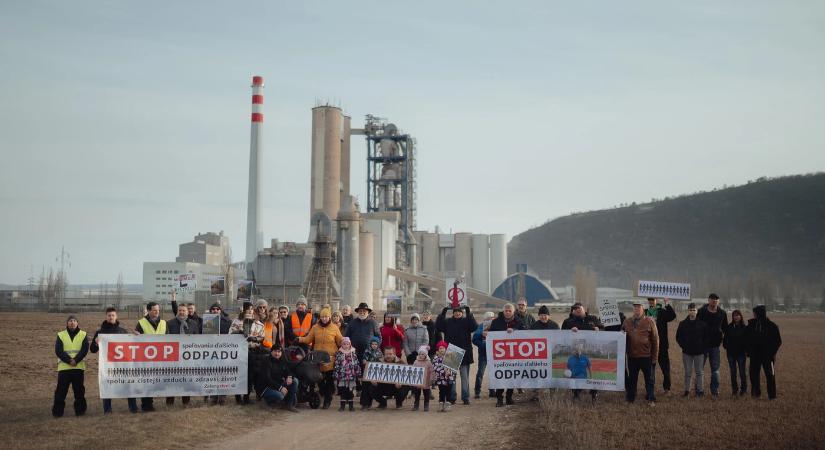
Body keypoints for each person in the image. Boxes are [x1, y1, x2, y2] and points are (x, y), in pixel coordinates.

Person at [90, 307, 137, 413]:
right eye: (109, 315)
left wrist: (137, 338)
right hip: (108, 366)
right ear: (106, 317)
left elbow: (132, 346)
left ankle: (133, 408)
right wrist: (95, 343)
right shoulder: (100, 332)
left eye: (113, 315)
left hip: (123, 365)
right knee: (107, 386)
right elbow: (92, 350)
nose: (111, 317)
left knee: (128, 384)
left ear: (116, 316)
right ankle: (107, 410)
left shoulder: (123, 331)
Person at [298, 307, 343, 409]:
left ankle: (328, 400)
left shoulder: (335, 328)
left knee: (330, 381)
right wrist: (299, 339)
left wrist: (347, 345)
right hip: (317, 359)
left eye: (326, 316)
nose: (324, 318)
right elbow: (308, 339)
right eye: (322, 317)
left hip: (330, 359)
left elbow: (340, 341)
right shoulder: (315, 328)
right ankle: (323, 393)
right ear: (320, 317)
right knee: (320, 381)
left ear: (329, 317)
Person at [436, 304, 478, 405]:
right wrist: (443, 312)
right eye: (455, 312)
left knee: (464, 377)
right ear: (453, 313)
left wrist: (469, 313)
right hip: (452, 352)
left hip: (465, 352)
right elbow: (438, 326)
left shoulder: (466, 321)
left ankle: (465, 397)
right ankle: (452, 397)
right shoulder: (448, 322)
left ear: (462, 313)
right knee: (451, 377)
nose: (457, 313)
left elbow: (474, 327)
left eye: (459, 312)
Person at [488, 303, 525, 406]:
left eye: (510, 311)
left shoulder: (519, 322)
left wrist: (515, 331)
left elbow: (525, 334)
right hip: (500, 356)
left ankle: (509, 397)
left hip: (514, 355)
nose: (508, 313)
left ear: (513, 312)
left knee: (512, 377)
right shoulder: (496, 322)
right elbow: (491, 336)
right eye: (506, 311)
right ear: (503, 311)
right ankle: (499, 398)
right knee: (501, 377)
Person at [622, 300, 659, 405]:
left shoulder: (650, 321)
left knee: (649, 380)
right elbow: (621, 336)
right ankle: (630, 399)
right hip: (632, 357)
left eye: (639, 307)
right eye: (635, 307)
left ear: (643, 309)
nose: (636, 309)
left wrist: (654, 357)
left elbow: (655, 340)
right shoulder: (627, 322)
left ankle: (651, 399)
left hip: (646, 356)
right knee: (632, 380)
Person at [52, 315, 88, 417]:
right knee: (61, 392)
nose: (72, 322)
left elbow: (84, 350)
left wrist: (76, 360)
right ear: (67, 323)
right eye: (70, 321)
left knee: (79, 391)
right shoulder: (61, 335)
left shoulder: (83, 334)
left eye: (74, 321)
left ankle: (80, 411)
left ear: (77, 323)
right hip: (64, 368)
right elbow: (58, 350)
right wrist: (69, 360)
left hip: (78, 368)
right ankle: (57, 412)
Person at [562, 303, 599, 402]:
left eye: (579, 308)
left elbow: (602, 328)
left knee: (584, 371)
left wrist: (598, 329)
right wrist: (569, 330)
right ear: (573, 311)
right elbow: (562, 334)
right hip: (575, 349)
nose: (578, 310)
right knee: (575, 370)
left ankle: (593, 393)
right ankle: (576, 393)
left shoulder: (593, 318)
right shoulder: (569, 322)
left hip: (586, 349)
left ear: (584, 308)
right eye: (575, 309)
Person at [166, 302, 199, 406]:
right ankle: (170, 402)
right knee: (171, 379)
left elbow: (197, 339)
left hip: (187, 357)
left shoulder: (193, 324)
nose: (181, 312)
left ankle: (186, 401)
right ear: (177, 311)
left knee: (186, 379)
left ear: (187, 312)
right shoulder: (170, 323)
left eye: (183, 310)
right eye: (180, 310)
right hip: (173, 357)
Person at [746, 305, 782, 400]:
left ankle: (772, 396)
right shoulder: (751, 325)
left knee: (770, 375)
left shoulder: (772, 326)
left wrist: (771, 353)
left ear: (760, 314)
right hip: (755, 355)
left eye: (755, 313)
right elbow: (746, 339)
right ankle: (756, 394)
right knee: (753, 375)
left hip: (768, 357)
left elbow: (778, 341)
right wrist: (749, 351)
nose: (753, 315)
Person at [135, 301, 165, 411]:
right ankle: (146, 405)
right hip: (146, 359)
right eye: (154, 310)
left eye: (158, 310)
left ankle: (151, 402)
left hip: (161, 358)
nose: (157, 312)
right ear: (148, 310)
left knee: (155, 381)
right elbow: (136, 339)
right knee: (146, 381)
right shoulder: (141, 323)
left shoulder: (163, 323)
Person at [697, 293, 728, 397]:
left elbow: (725, 329)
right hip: (702, 345)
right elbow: (697, 326)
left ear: (718, 301)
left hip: (715, 345)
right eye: (712, 299)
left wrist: (725, 340)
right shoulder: (701, 312)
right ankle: (699, 391)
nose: (714, 301)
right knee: (699, 369)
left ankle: (714, 391)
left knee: (715, 370)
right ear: (708, 300)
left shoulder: (722, 313)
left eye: (716, 299)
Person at [645, 297, 677, 395]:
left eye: (653, 300)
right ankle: (650, 390)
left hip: (662, 345)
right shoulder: (645, 312)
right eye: (649, 300)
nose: (651, 302)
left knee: (665, 368)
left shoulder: (662, 312)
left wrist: (667, 304)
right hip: (649, 346)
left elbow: (672, 316)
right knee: (650, 370)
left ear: (656, 301)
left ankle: (667, 389)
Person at [676, 303, 708, 397]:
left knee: (699, 372)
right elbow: (678, 337)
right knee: (688, 372)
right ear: (688, 311)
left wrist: (703, 348)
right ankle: (687, 391)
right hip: (687, 352)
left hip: (699, 352)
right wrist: (684, 346)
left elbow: (706, 338)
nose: (692, 312)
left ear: (697, 311)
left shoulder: (703, 324)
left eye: (694, 310)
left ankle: (700, 391)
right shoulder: (682, 324)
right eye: (690, 310)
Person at [256, 345, 299, 412]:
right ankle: (267, 401)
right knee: (280, 396)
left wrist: (289, 377)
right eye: (275, 351)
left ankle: (288, 405)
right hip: (265, 387)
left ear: (281, 353)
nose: (277, 353)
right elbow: (267, 379)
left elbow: (289, 371)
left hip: (277, 384)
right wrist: (280, 388)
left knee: (294, 382)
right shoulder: (266, 361)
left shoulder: (281, 360)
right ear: (271, 352)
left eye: (279, 352)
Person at [230, 301, 257, 404]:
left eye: (251, 308)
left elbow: (260, 336)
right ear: (244, 309)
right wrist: (239, 332)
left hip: (251, 350)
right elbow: (230, 333)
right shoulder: (237, 321)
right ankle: (238, 397)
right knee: (239, 375)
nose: (250, 310)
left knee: (249, 375)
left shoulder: (256, 322)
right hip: (239, 352)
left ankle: (247, 397)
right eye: (248, 308)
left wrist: (255, 339)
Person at [723, 309, 748, 396]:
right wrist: (726, 346)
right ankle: (734, 389)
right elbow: (725, 340)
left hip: (741, 353)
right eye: (735, 315)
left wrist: (745, 350)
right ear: (732, 317)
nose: (736, 317)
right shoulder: (729, 327)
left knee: (742, 372)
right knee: (733, 373)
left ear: (741, 316)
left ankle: (743, 389)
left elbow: (747, 341)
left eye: (738, 315)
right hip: (731, 354)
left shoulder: (745, 328)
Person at [333, 337, 361, 411]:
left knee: (350, 391)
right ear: (342, 345)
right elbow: (337, 365)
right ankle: (342, 406)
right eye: (344, 344)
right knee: (343, 391)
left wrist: (358, 372)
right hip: (342, 376)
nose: (346, 345)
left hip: (351, 376)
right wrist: (336, 374)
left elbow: (356, 364)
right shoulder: (339, 354)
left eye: (347, 344)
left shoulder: (353, 354)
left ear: (350, 344)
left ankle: (351, 406)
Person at [473, 311, 496, 399]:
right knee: (480, 373)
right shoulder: (481, 326)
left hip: (494, 354)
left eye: (492, 318)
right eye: (489, 318)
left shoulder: (496, 326)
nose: (490, 320)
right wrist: (483, 344)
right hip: (483, 354)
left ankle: (492, 391)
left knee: (493, 373)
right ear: (485, 319)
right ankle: (477, 391)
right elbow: (474, 339)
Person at [359, 336, 384, 410]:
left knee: (371, 388)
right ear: (370, 344)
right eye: (372, 344)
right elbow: (364, 359)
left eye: (376, 344)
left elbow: (382, 361)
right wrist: (364, 361)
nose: (374, 345)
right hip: (367, 372)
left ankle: (369, 403)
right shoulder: (367, 351)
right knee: (365, 388)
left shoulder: (379, 352)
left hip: (375, 373)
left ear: (378, 345)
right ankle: (364, 404)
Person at [432, 341, 455, 412]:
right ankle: (441, 404)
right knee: (441, 391)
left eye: (443, 348)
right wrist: (443, 372)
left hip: (449, 378)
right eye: (440, 348)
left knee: (449, 391)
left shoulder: (450, 357)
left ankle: (448, 404)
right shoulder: (436, 359)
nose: (442, 349)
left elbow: (454, 367)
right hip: (440, 379)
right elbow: (435, 368)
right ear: (438, 350)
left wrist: (449, 372)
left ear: (446, 349)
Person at [411, 346, 435, 411]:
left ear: (426, 355)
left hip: (426, 381)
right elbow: (413, 370)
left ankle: (426, 405)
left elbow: (431, 371)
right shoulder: (416, 362)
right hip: (418, 381)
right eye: (420, 354)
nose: (421, 355)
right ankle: (416, 405)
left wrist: (431, 379)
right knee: (417, 393)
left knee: (426, 393)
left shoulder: (428, 362)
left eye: (423, 354)